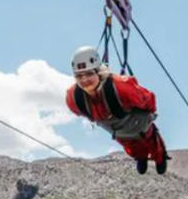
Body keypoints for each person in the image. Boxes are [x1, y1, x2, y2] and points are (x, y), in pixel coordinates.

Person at [64, 46, 168, 174]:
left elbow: (148, 99)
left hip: (137, 123)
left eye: (89, 74)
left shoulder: (120, 87)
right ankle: (141, 157)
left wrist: (149, 116)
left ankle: (160, 157)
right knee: (130, 146)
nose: (84, 80)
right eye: (79, 76)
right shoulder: (74, 98)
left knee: (150, 141)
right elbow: (80, 111)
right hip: (118, 131)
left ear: (98, 72)